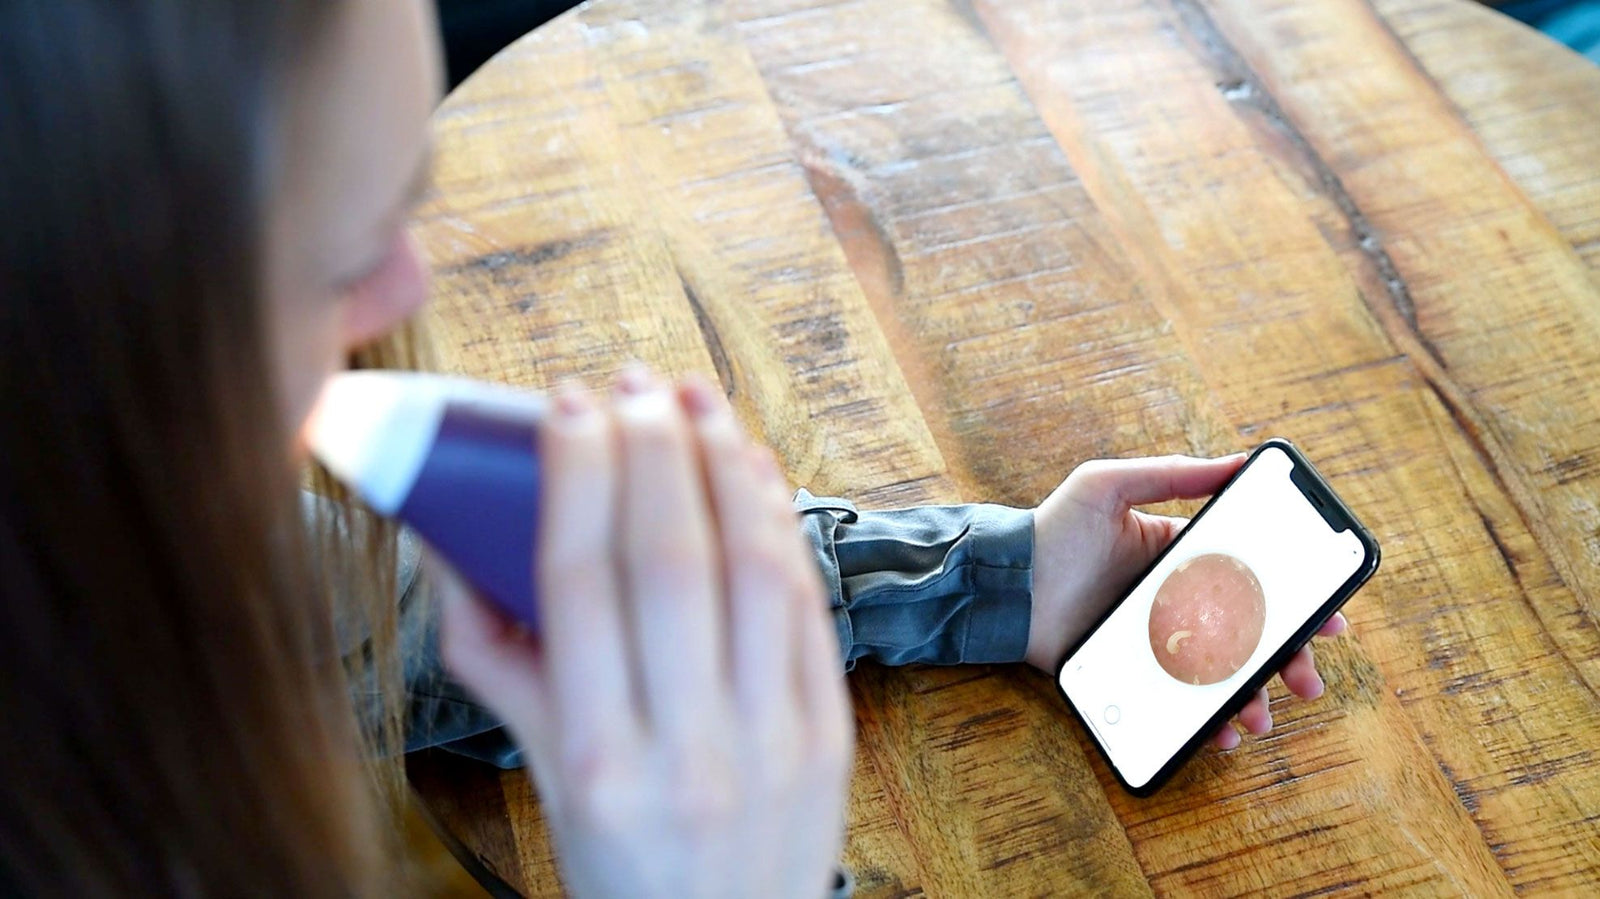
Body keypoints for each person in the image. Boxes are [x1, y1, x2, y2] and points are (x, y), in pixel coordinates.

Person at [0, 0, 1346, 895]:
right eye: (342, 256)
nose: (405, 294)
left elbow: (388, 614)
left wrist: (1009, 581)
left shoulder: (170, 557)